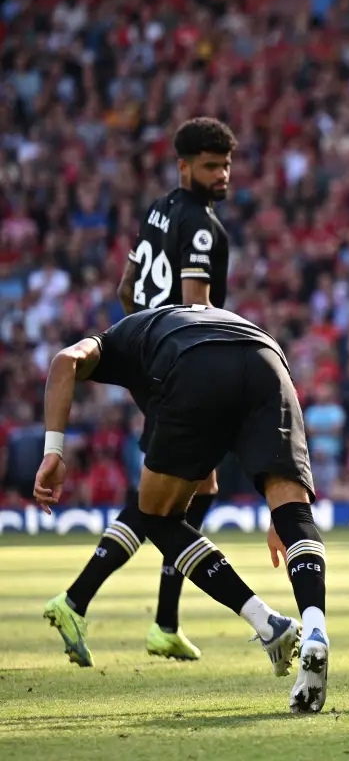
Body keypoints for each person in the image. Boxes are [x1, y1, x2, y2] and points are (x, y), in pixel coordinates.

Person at [35, 305, 331, 714]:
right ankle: (315, 628)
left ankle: (268, 623)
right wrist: (274, 509)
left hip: (195, 366)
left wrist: (54, 452)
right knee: (294, 516)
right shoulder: (179, 318)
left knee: (157, 515)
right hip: (267, 356)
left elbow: (66, 360)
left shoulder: (115, 341)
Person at [44, 117, 236, 664]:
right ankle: (78, 599)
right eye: (209, 165)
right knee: (165, 500)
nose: (220, 174)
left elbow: (127, 287)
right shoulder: (201, 224)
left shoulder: (158, 211)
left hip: (148, 352)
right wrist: (177, 361)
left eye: (225, 164)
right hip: (179, 362)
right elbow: (197, 308)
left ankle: (164, 622)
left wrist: (138, 342)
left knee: (198, 489)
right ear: (183, 165)